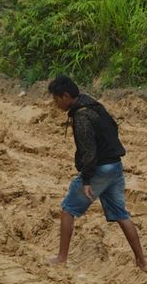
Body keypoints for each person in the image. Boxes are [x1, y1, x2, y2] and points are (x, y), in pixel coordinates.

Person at [47, 76, 146, 270]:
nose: (55, 104)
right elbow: (114, 127)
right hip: (115, 167)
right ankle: (142, 261)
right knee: (121, 215)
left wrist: (86, 179)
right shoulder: (93, 104)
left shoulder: (82, 116)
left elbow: (89, 153)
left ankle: (61, 259)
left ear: (66, 96)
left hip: (99, 170)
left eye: (56, 99)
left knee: (68, 210)